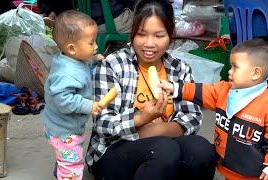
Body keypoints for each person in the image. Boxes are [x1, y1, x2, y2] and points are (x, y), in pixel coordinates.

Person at [86, 0, 216, 179]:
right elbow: (102, 123)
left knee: (202, 150)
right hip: (114, 153)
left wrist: (159, 130)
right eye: (141, 34)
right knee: (164, 149)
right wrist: (142, 118)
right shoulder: (112, 65)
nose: (149, 44)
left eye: (159, 35)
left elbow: (192, 118)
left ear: (171, 34)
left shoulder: (180, 69)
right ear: (132, 33)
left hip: (165, 148)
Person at [161, 38, 268, 180]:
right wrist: (175, 87)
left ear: (256, 73)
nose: (229, 71)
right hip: (227, 166)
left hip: (252, 174)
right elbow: (201, 91)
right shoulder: (223, 90)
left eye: (235, 67)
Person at [41, 10, 104, 180]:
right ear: (72, 48)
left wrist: (93, 59)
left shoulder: (71, 59)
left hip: (59, 124)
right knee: (72, 164)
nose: (96, 46)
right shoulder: (67, 74)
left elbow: (81, 69)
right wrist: (88, 105)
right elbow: (64, 99)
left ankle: (60, 168)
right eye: (91, 43)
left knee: (65, 156)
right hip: (64, 130)